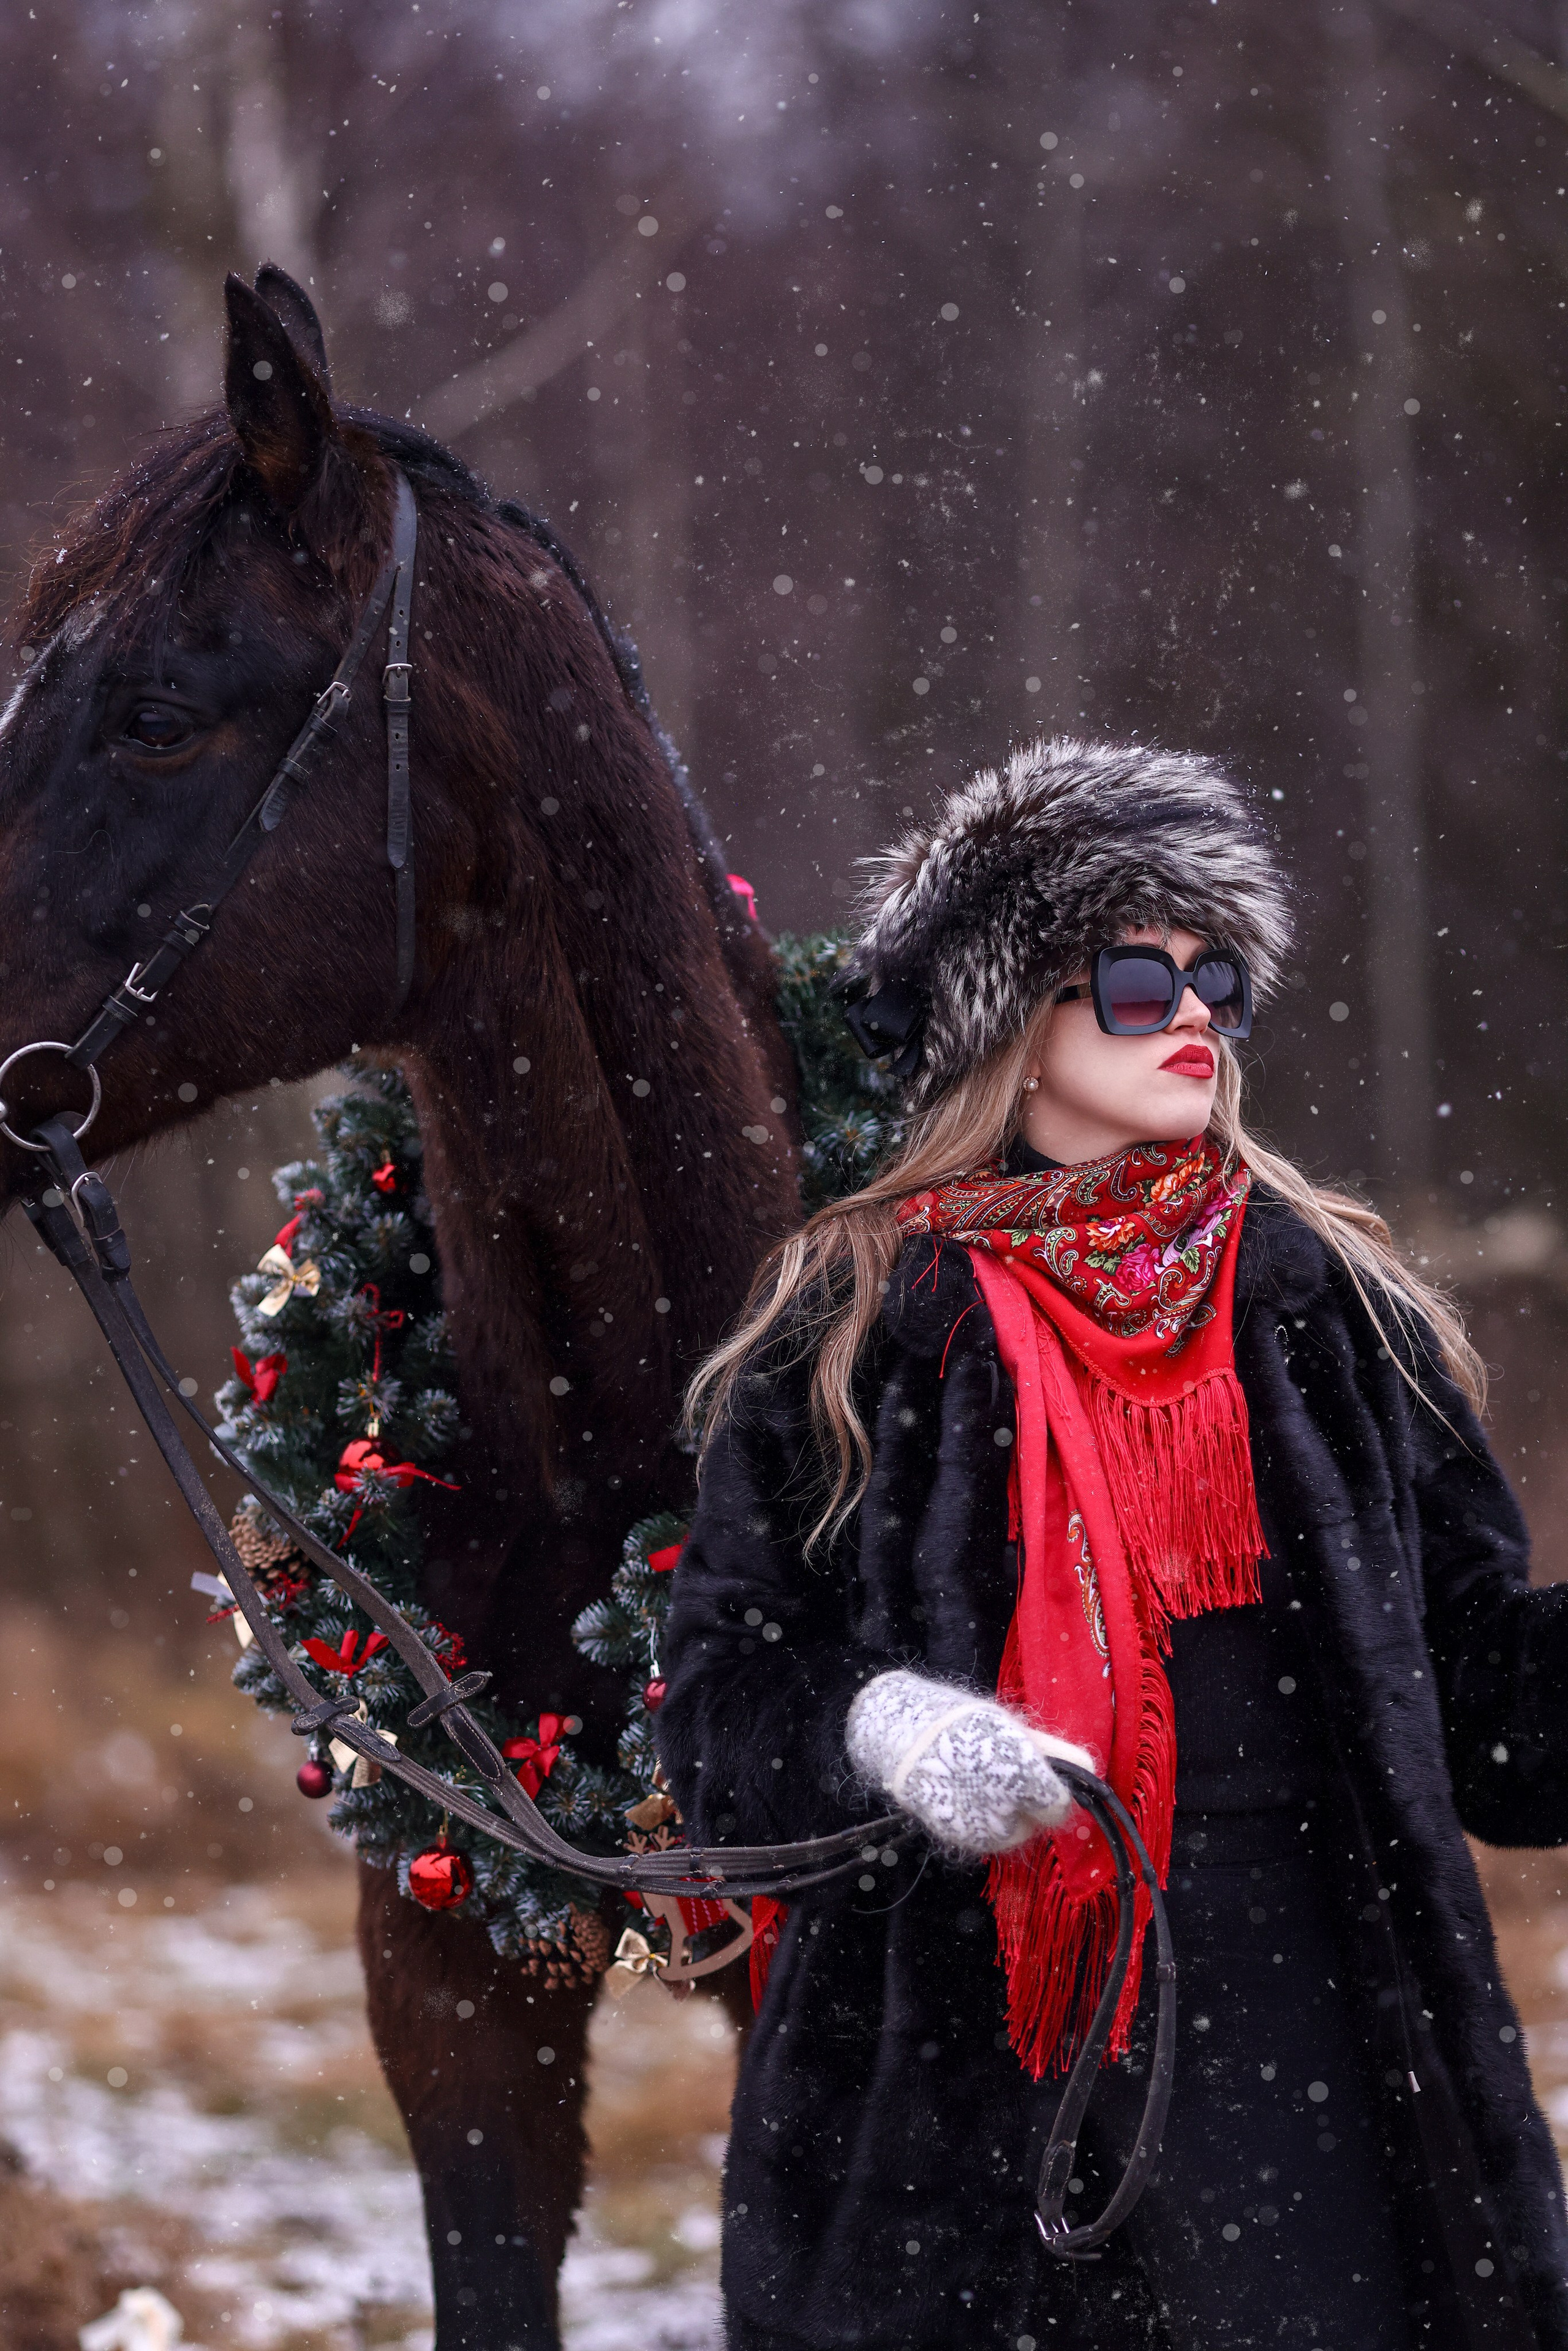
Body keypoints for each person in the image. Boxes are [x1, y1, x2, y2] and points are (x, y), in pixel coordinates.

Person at [655, 736, 1568, 2351]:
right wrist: (888, 1729)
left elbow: (1494, 1711)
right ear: (1009, 1021)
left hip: (1312, 2007)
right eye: (1136, 980)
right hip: (949, 2054)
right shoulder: (859, 1312)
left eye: (1217, 975)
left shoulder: (1331, 1300)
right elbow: (723, 1693)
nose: (1197, 1011)